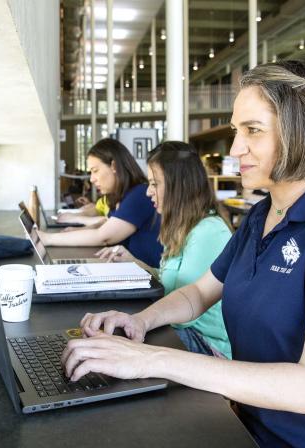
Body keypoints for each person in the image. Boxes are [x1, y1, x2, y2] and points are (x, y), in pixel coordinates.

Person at [61, 60, 305, 447]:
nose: (236, 148)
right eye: (238, 131)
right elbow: (199, 293)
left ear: (303, 130)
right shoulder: (259, 216)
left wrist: (150, 360)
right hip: (249, 429)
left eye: (253, 130)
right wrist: (140, 321)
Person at [96, 141, 233, 359]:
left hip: (204, 344)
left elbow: (187, 312)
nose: (149, 192)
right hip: (181, 331)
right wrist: (139, 265)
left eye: (155, 183)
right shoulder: (183, 226)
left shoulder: (208, 231)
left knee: (115, 340)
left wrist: (139, 320)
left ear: (179, 184)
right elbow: (175, 283)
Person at [38, 138, 163, 268]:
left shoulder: (140, 194)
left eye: (95, 170)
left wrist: (47, 238)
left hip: (152, 279)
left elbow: (103, 236)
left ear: (114, 166)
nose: (92, 179)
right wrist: (77, 230)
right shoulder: (121, 197)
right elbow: (105, 223)